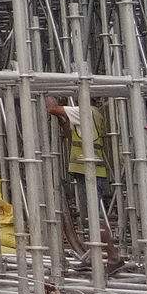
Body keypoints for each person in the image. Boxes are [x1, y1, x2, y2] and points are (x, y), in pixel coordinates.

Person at [46, 95, 122, 273]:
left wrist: (50, 100)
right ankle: (95, 256)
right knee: (89, 217)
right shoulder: (91, 114)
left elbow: (52, 109)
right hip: (87, 171)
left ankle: (114, 257)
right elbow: (67, 134)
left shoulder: (85, 111)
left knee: (95, 218)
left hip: (90, 172)